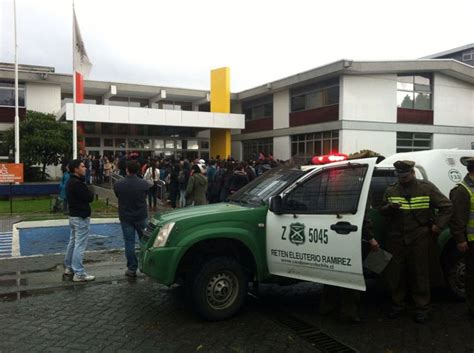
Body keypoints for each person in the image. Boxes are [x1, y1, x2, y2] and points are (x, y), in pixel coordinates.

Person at [381, 160, 452, 323]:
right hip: (396, 238)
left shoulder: (426, 188)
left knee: (420, 273)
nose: (403, 179)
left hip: (419, 237)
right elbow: (382, 210)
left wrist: (438, 226)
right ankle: (398, 305)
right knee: (396, 273)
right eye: (399, 176)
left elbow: (447, 206)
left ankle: (422, 308)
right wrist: (389, 208)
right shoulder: (391, 189)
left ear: (412, 173)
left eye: (405, 175)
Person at [319, 216, 379, 323]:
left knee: (331, 271)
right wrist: (371, 238)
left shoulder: (327, 200)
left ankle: (327, 307)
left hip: (332, 236)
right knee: (351, 277)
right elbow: (362, 218)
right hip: (349, 236)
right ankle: (348, 314)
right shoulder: (350, 199)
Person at [113, 160, 150, 277]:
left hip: (126, 217)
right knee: (145, 242)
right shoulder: (144, 184)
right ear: (138, 170)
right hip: (141, 216)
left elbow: (118, 196)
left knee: (129, 243)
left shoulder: (118, 184)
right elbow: (146, 195)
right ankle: (147, 266)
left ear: (127, 170)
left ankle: (132, 268)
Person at [449, 157, 474, 318]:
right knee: (472, 276)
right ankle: (472, 308)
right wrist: (460, 239)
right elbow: (456, 218)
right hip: (471, 241)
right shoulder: (462, 190)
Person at [63, 159, 95, 282]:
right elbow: (88, 198)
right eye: (82, 166)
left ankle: (69, 267)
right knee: (79, 245)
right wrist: (90, 188)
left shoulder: (70, 181)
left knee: (73, 242)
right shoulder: (77, 183)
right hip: (81, 216)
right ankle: (79, 273)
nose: (85, 168)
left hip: (73, 216)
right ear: (76, 169)